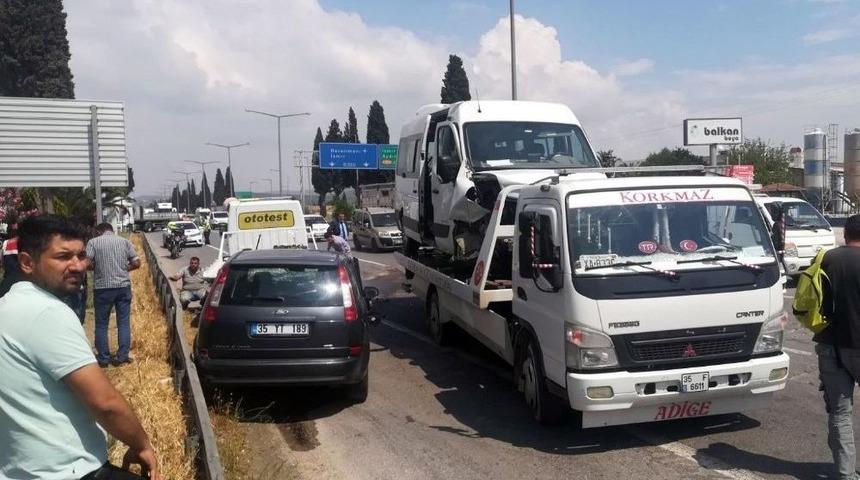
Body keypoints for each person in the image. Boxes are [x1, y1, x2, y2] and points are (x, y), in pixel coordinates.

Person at [0, 215, 161, 479]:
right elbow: (105, 403)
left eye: (81, 255)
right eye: (63, 257)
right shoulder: (48, 313)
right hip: (70, 470)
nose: (77, 266)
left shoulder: (7, 305)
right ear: (28, 263)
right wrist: (141, 444)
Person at [819, 214, 860, 480]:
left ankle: (846, 475)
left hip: (830, 345)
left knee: (840, 412)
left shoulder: (826, 259)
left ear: (845, 233)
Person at [87, 223, 141, 368]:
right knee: (123, 322)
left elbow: (86, 263)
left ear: (99, 231)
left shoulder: (93, 243)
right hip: (123, 287)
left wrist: (97, 267)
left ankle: (104, 358)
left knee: (101, 324)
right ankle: (122, 356)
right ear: (111, 230)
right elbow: (137, 262)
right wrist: (123, 269)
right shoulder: (124, 242)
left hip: (103, 288)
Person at [0, 219, 21, 297]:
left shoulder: (6, 243)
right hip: (24, 282)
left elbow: (2, 264)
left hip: (7, 282)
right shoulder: (28, 243)